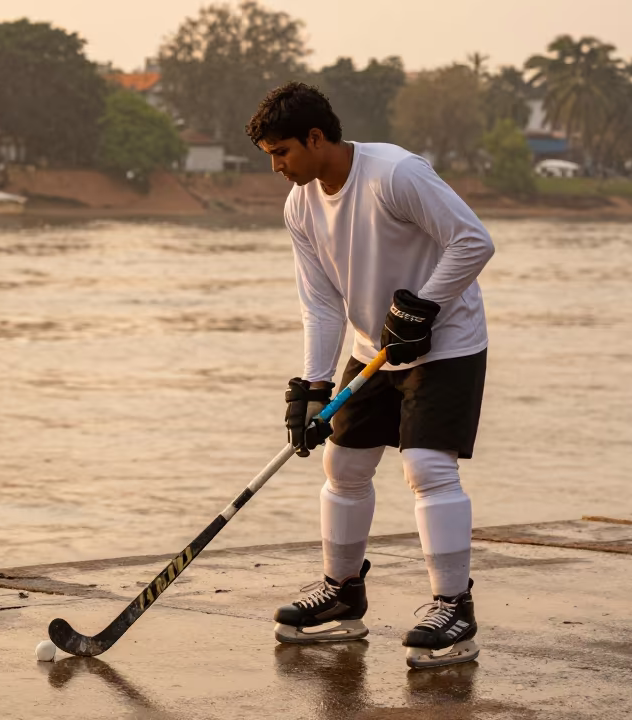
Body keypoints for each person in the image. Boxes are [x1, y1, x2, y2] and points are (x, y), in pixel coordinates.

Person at [246, 82, 494, 669]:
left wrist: (424, 305)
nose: (276, 167)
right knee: (345, 463)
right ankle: (342, 591)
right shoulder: (300, 205)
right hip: (374, 346)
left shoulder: (395, 174)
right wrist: (312, 386)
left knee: (428, 467)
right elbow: (322, 303)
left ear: (315, 137)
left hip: (446, 342)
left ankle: (454, 607)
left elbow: (473, 241)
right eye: (270, 156)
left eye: (281, 152)